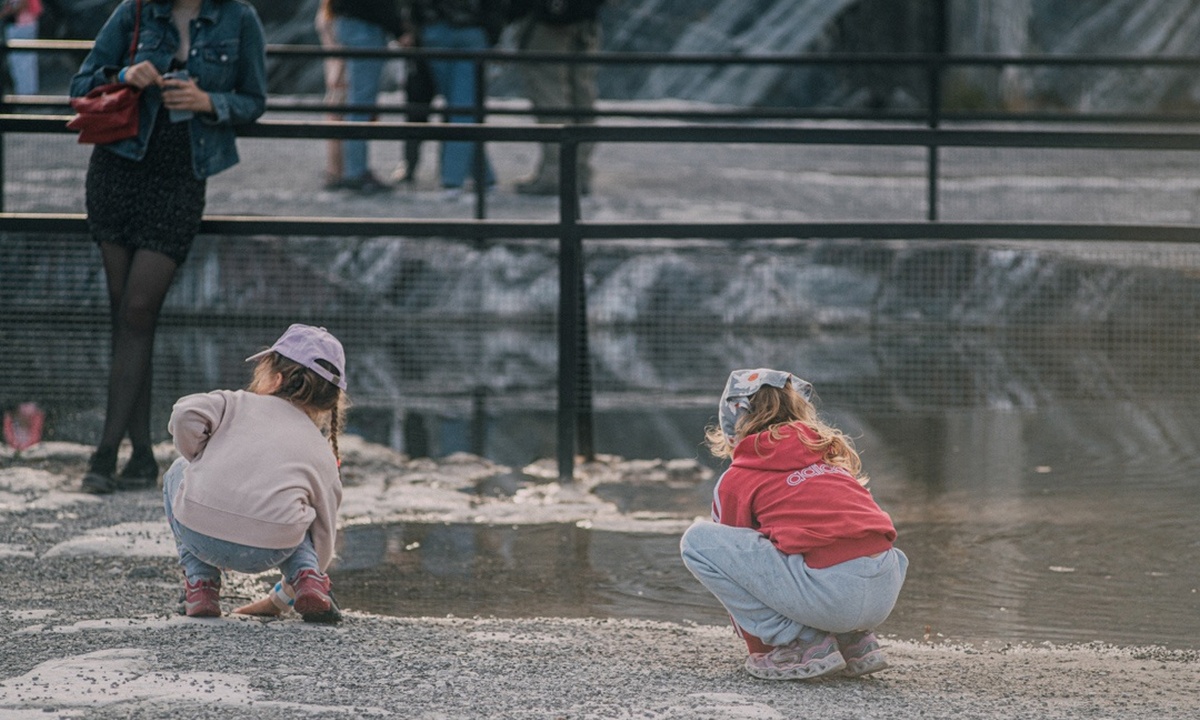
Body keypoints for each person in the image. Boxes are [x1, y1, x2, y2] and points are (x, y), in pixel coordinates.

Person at [70, 0, 267, 495]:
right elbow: (80, 85)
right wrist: (125, 75)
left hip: (179, 180)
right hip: (118, 170)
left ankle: (104, 454)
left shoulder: (238, 18)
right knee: (128, 317)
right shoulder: (135, 11)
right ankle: (139, 456)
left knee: (137, 310)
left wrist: (209, 103)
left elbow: (253, 99)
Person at [680, 368, 908, 681]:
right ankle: (855, 640)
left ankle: (803, 643)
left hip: (831, 597)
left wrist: (764, 648)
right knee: (820, 542)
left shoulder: (739, 477)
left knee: (697, 542)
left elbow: (738, 570)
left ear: (732, 423)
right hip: (884, 592)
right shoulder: (829, 460)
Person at [163, 323, 349, 621]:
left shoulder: (233, 402)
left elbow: (185, 413)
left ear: (275, 378)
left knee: (177, 471)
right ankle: (308, 578)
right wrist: (282, 597)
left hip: (200, 533)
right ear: (328, 401)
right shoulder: (319, 449)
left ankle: (201, 585)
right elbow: (325, 532)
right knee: (299, 509)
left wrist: (197, 457)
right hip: (271, 548)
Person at [411, 0, 504, 199]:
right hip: (472, 29)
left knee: (458, 106)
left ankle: (466, 178)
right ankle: (462, 179)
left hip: (434, 29)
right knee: (463, 106)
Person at [512, 0, 602, 196]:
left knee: (550, 96)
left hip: (547, 20)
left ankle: (557, 172)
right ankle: (579, 171)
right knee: (582, 95)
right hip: (586, 19)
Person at [327, 0, 406, 194]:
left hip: (347, 22)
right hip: (365, 26)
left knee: (351, 100)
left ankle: (344, 169)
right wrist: (399, 30)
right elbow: (380, 5)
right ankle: (355, 172)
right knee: (360, 104)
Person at [315, 0, 346, 189]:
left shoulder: (326, 12)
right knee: (338, 122)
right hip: (339, 74)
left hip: (333, 72)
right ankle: (336, 171)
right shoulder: (336, 14)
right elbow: (340, 48)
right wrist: (339, 72)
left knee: (335, 121)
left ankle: (335, 170)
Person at [1, 0, 42, 96]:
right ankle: (28, 92)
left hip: (21, 25)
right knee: (27, 60)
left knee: (21, 62)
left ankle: (25, 93)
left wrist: (5, 13)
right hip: (28, 23)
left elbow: (21, 5)